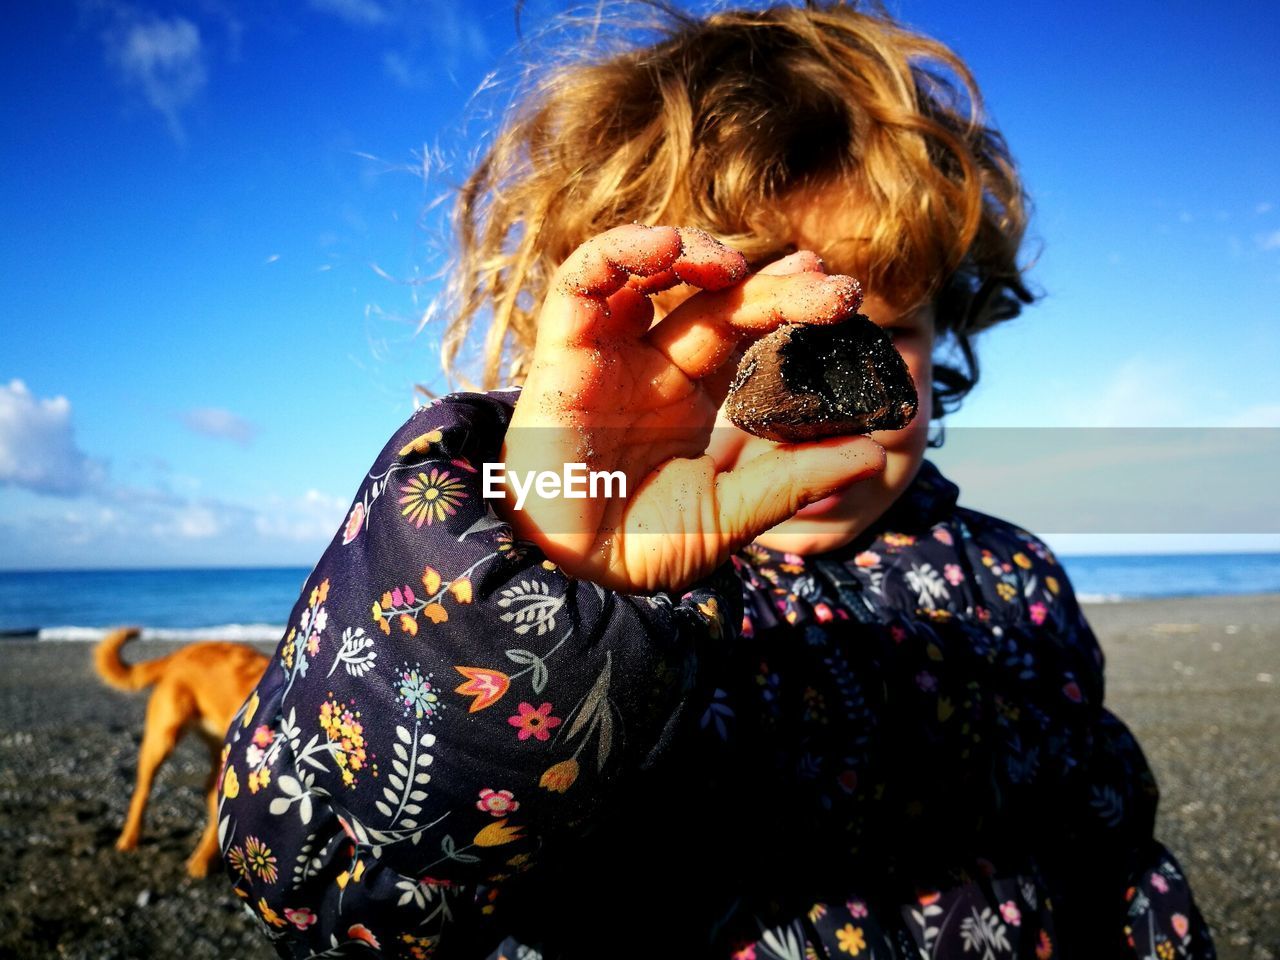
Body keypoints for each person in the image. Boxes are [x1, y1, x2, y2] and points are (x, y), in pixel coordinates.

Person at [216, 4, 1216, 958]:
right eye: (748, 339)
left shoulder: (1011, 580)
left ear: (937, 333)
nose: (822, 398)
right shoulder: (560, 573)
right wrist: (550, 592)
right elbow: (317, 888)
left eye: (878, 330)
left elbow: (1109, 843)